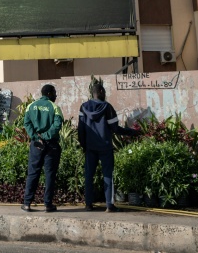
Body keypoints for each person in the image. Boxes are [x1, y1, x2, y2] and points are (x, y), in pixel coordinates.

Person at [78, 82, 139, 212]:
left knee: (88, 176)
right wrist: (131, 132)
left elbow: (81, 129)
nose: (105, 94)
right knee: (107, 175)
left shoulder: (83, 107)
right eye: (104, 91)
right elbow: (115, 128)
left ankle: (88, 205)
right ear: (100, 91)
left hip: (90, 148)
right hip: (105, 147)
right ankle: (109, 206)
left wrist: (84, 145)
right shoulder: (107, 107)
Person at [22, 84, 63, 212]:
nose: (56, 95)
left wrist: (36, 136)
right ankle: (48, 204)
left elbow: (26, 123)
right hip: (51, 145)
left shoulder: (31, 106)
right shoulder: (55, 107)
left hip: (36, 144)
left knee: (33, 173)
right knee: (49, 174)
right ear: (49, 93)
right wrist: (46, 136)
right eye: (55, 93)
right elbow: (57, 125)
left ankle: (27, 203)